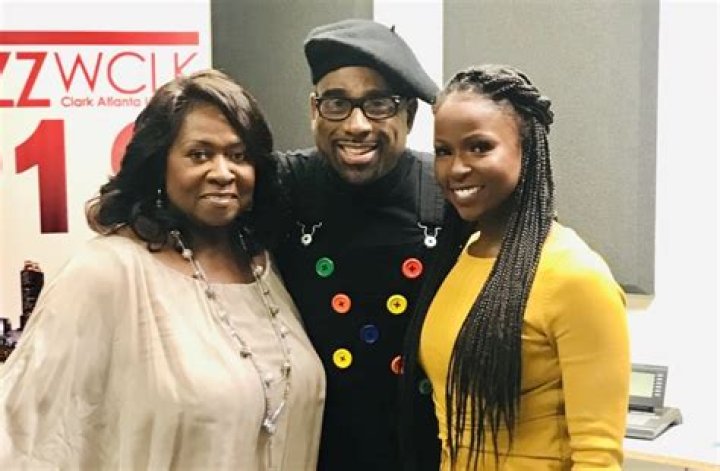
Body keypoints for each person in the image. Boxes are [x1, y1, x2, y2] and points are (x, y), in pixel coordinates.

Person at [0, 69, 325, 470]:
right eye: (199, 154)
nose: (223, 172)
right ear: (158, 165)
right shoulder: (107, 273)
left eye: (238, 156)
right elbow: (26, 438)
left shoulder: (266, 268)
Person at [399, 64, 630, 470]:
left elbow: (598, 457)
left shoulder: (576, 276)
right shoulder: (463, 256)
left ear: (527, 149)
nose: (456, 168)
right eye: (444, 151)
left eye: (479, 147)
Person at [273, 18, 443, 471]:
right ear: (314, 110)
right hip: (312, 453)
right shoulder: (281, 186)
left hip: (424, 454)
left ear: (409, 115)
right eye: (337, 103)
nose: (357, 124)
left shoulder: (450, 193)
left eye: (379, 104)